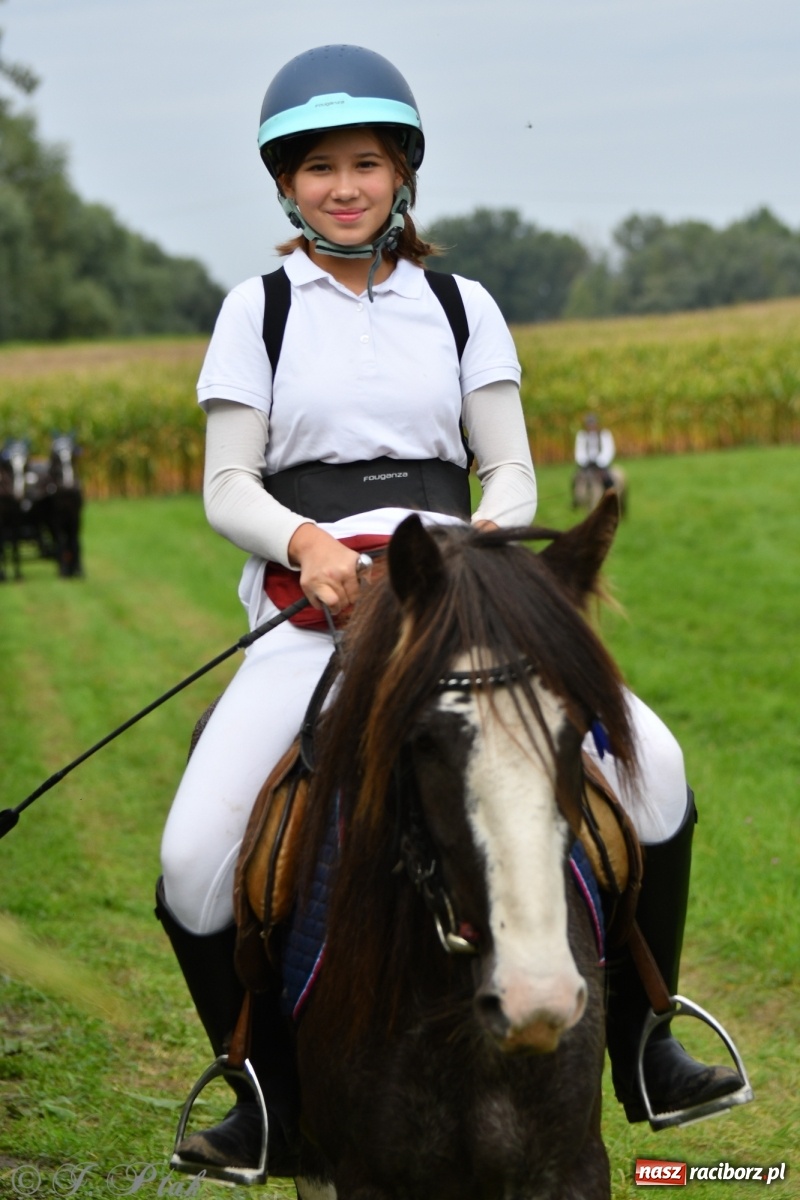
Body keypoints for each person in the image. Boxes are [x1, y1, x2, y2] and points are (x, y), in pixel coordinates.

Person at [155, 44, 743, 1176]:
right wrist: (307, 544)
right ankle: (263, 1094)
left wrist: (472, 546)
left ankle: (641, 1044)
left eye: (364, 164)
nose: (342, 185)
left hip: (454, 598)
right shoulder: (259, 309)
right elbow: (228, 483)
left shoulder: (460, 304)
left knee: (655, 772)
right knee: (190, 860)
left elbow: (510, 473)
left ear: (401, 175)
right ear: (285, 185)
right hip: (315, 615)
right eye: (317, 168)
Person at [575, 413, 616, 489]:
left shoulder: (604, 434)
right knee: (575, 478)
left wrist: (599, 461)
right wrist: (585, 461)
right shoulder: (582, 436)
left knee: (607, 479)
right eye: (589, 424)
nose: (591, 426)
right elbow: (579, 451)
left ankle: (610, 493)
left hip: (601, 463)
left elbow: (608, 450)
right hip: (586, 464)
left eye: (593, 424)